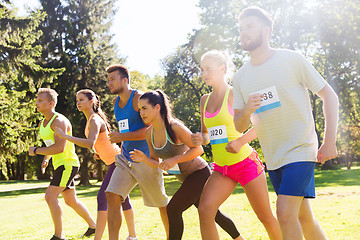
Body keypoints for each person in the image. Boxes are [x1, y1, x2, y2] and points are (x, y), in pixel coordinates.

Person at [233, 7, 339, 240]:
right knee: (304, 218)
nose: (243, 32)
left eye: (249, 26)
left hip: (301, 149)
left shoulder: (291, 59)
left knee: (284, 213)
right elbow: (239, 125)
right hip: (274, 157)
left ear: (266, 31)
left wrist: (329, 140)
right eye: (241, 28)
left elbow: (329, 95)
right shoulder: (240, 77)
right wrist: (248, 110)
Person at [192, 50, 282, 240]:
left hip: (245, 163)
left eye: (208, 69)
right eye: (202, 70)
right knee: (205, 210)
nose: (204, 73)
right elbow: (207, 135)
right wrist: (201, 139)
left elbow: (262, 124)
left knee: (265, 217)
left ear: (222, 69)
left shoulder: (235, 95)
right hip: (222, 169)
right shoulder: (204, 100)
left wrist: (240, 141)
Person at [130, 90, 243, 240]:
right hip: (185, 179)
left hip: (199, 173)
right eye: (139, 110)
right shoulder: (148, 133)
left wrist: (176, 159)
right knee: (215, 214)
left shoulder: (174, 127)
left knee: (173, 209)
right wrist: (144, 158)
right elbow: (155, 162)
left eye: (144, 108)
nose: (141, 113)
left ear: (157, 107)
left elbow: (198, 149)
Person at [53, 89, 137, 240]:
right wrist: (98, 151)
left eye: (81, 100)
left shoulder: (94, 119)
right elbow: (97, 142)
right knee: (123, 199)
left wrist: (65, 136)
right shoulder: (91, 119)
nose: (78, 103)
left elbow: (89, 142)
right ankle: (132, 236)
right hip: (114, 161)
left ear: (91, 102)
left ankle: (98, 237)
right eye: (77, 100)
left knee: (102, 197)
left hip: (117, 161)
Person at [104, 65, 169, 240]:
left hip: (146, 158)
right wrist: (119, 140)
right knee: (112, 195)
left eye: (112, 79)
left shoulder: (138, 98)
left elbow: (151, 129)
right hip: (126, 158)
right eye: (108, 79)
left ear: (125, 80)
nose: (109, 83)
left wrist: (121, 136)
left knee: (161, 204)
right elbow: (125, 131)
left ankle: (172, 237)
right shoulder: (115, 102)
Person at [28, 88, 96, 240]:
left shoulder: (59, 121)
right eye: (37, 100)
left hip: (68, 164)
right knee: (70, 200)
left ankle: (58, 236)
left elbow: (60, 147)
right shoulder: (42, 123)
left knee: (50, 196)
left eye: (40, 101)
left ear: (51, 103)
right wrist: (46, 159)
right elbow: (50, 144)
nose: (36, 103)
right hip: (59, 164)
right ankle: (94, 226)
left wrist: (36, 150)